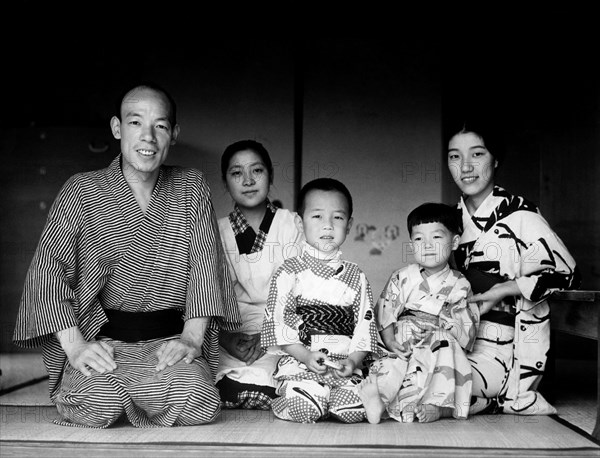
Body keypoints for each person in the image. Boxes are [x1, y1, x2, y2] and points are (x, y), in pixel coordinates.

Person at [12, 82, 241, 428]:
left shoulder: (192, 187)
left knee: (199, 400)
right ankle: (119, 395)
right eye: (136, 123)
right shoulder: (81, 190)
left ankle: (148, 393)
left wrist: (191, 339)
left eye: (160, 126)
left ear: (174, 134)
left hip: (167, 343)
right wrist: (76, 348)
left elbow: (206, 268)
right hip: (104, 342)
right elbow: (48, 271)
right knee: (98, 402)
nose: (148, 137)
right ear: (117, 128)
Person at [446, 120, 581, 416]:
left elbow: (567, 272)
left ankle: (499, 394)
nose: (465, 166)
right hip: (460, 333)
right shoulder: (450, 220)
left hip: (505, 342)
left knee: (433, 381)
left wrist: (503, 289)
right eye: (455, 156)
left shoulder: (520, 214)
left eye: (477, 154)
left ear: (495, 160)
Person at [261, 178, 379, 424]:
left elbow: (364, 326)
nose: (328, 226)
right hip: (303, 362)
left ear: (349, 225)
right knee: (307, 406)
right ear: (299, 222)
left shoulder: (356, 275)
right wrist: (304, 356)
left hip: (343, 363)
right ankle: (305, 398)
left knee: (353, 409)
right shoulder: (289, 271)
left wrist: (353, 360)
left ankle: (334, 399)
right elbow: (278, 324)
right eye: (317, 217)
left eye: (337, 217)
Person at [358, 202, 479, 424]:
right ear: (411, 244)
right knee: (392, 361)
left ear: (454, 242)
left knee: (443, 350)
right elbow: (386, 310)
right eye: (419, 239)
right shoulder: (403, 276)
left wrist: (445, 324)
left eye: (437, 237)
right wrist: (391, 340)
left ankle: (437, 405)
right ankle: (381, 402)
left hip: (437, 338)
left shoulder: (460, 284)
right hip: (403, 335)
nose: (428, 245)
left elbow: (465, 329)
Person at [216, 139, 303, 409]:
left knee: (291, 365)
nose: (248, 180)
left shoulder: (291, 224)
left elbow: (302, 290)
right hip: (234, 333)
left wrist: (270, 335)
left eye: (257, 171)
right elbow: (205, 293)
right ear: (225, 181)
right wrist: (225, 338)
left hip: (283, 331)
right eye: (236, 173)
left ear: (270, 175)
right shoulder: (215, 231)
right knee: (209, 369)